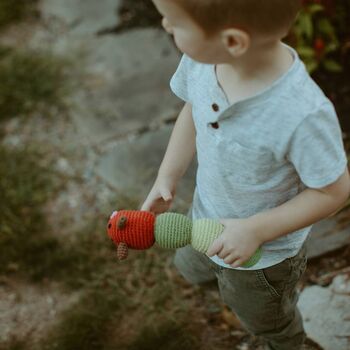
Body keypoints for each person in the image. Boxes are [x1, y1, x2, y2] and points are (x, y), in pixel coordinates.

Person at [141, 0, 350, 349]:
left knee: (266, 319)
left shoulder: (301, 115)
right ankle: (226, 291)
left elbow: (334, 191)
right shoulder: (206, 61)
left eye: (176, 23)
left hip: (262, 260)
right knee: (195, 270)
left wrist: (255, 230)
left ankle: (285, 342)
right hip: (205, 219)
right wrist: (167, 175)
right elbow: (194, 109)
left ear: (234, 41)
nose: (165, 25)